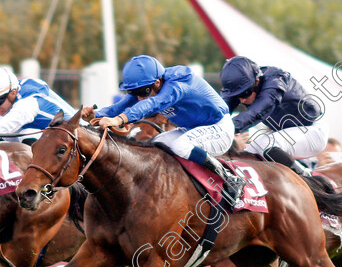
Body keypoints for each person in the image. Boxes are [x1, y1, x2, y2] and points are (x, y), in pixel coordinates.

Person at [89, 55, 246, 204]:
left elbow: (152, 104)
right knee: (155, 145)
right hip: (192, 129)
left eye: (142, 92)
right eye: (133, 93)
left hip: (219, 128)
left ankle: (230, 179)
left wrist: (119, 119)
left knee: (181, 146)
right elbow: (121, 105)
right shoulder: (148, 85)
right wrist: (96, 114)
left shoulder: (177, 85)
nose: (139, 98)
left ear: (157, 82)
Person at [218, 56, 325, 176]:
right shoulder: (247, 84)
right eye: (236, 96)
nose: (241, 100)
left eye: (244, 94)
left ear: (257, 82)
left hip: (312, 131)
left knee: (265, 145)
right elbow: (219, 110)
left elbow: (256, 112)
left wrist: (222, 130)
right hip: (287, 133)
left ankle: (308, 179)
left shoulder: (276, 80)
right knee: (245, 155)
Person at [0, 67, 76, 143]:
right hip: (52, 134)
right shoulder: (11, 93)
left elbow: (3, 128)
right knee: (10, 138)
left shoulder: (28, 104)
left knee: (21, 134)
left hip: (74, 138)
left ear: (13, 93)